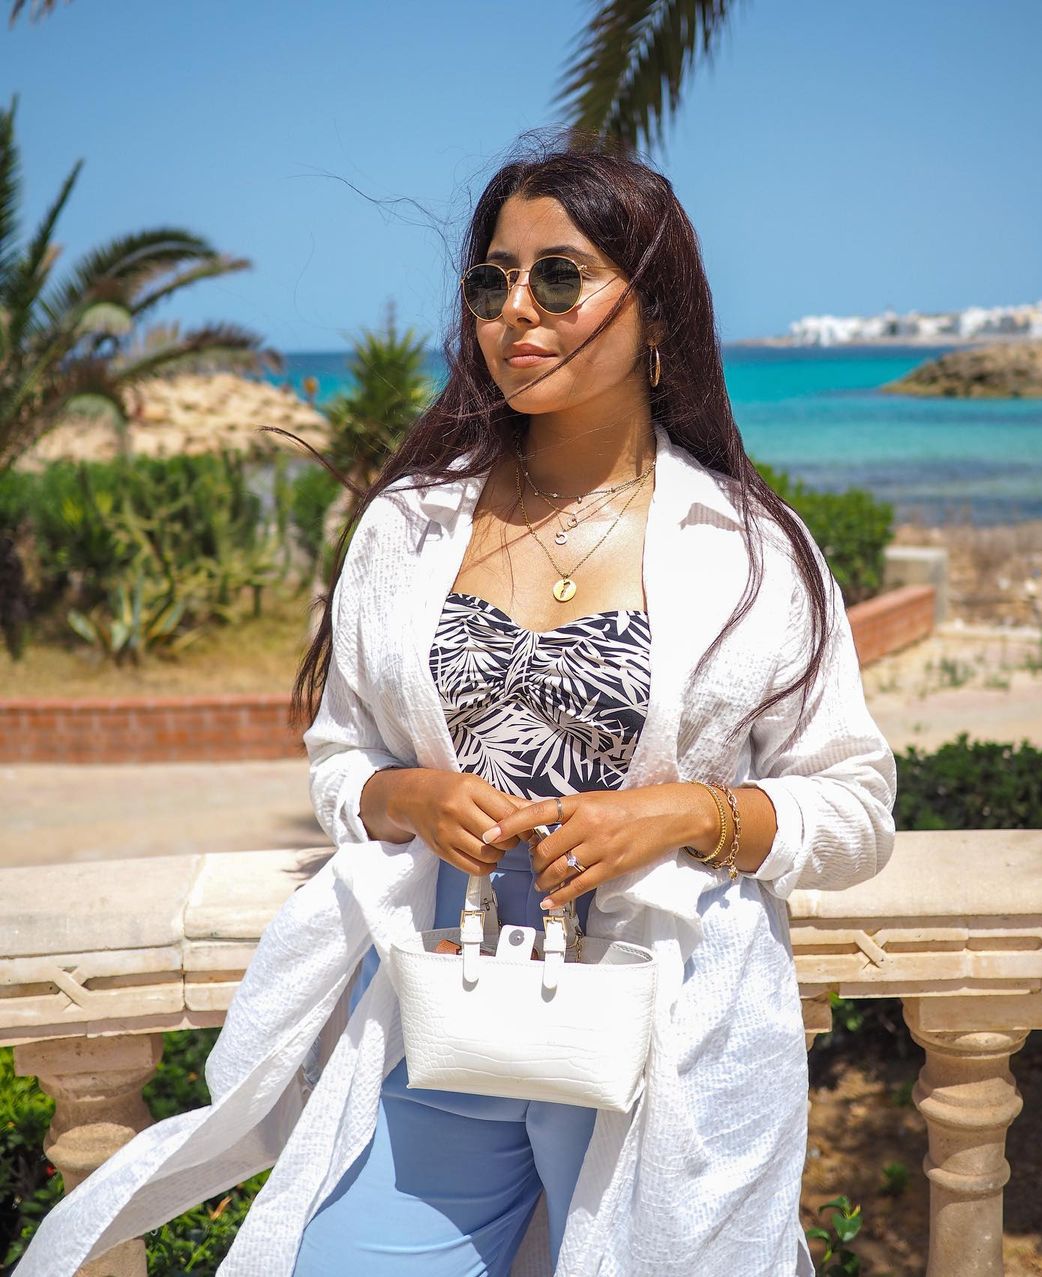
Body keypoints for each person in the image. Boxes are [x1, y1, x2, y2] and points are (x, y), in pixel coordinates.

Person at [12, 136, 895, 1277]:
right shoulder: (409, 529)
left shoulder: (751, 552)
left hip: (667, 1031)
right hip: (449, 991)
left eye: (558, 276)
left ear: (659, 314)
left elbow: (859, 804)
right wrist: (406, 794)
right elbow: (339, 759)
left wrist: (682, 815)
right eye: (491, 279)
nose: (514, 309)